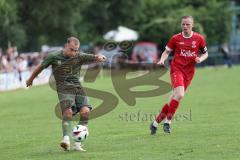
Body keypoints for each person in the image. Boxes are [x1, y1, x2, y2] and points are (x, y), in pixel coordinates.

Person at [26, 37, 106, 151]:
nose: (74, 53)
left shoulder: (79, 56)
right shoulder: (53, 56)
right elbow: (40, 67)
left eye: (76, 50)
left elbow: (93, 56)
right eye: (72, 49)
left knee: (86, 112)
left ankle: (78, 143)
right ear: (66, 46)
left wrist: (99, 57)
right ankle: (66, 139)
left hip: (77, 86)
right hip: (63, 87)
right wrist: (31, 79)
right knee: (68, 111)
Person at [150, 16, 208, 134]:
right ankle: (168, 122)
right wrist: (162, 60)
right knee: (180, 95)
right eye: (183, 24)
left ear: (192, 25)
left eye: (188, 24)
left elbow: (206, 53)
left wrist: (200, 59)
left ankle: (155, 123)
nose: (185, 26)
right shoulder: (176, 38)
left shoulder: (199, 38)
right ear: (181, 25)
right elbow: (166, 52)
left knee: (174, 99)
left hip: (189, 72)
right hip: (177, 69)